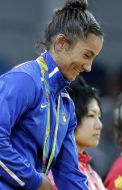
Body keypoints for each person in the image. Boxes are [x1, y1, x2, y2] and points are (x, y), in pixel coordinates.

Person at [0, 0, 103, 189]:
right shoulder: (25, 80)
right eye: (86, 55)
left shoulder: (65, 104)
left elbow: (69, 173)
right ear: (61, 43)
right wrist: (35, 180)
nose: (89, 68)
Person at [49, 76, 106, 189]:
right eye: (91, 115)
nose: (99, 125)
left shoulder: (91, 171)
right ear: (70, 116)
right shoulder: (56, 173)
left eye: (99, 117)